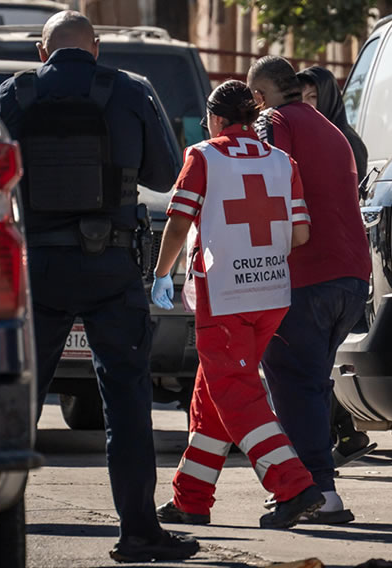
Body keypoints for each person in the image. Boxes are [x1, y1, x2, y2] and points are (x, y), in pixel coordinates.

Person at [0, 11, 198, 564]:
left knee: (17, 404)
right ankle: (138, 534)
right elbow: (165, 173)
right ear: (97, 49)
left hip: (39, 272)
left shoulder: (15, 94)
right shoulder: (129, 90)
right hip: (112, 270)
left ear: (42, 51)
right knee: (127, 401)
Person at [150, 80, 325, 529]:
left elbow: (178, 220)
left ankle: (295, 486)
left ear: (215, 118)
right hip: (270, 294)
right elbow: (301, 235)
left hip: (223, 295)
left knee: (235, 394)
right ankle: (191, 499)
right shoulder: (282, 162)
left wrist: (161, 273)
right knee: (212, 400)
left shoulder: (203, 155)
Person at [247, 56, 372, 525]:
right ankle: (312, 484)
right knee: (313, 385)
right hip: (351, 278)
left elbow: (264, 181)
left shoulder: (272, 122)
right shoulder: (332, 128)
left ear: (259, 96)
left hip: (305, 276)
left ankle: (318, 492)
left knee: (294, 387)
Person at [296, 65, 374, 466]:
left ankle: (322, 452)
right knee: (318, 363)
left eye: (313, 99)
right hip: (327, 261)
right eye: (301, 99)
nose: (307, 108)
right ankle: (343, 435)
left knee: (312, 365)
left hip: (337, 262)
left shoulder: (344, 142)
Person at [297, 65, 369, 182]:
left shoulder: (347, 141)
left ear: (327, 98)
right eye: (299, 98)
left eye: (312, 97)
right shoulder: (297, 137)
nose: (304, 103)